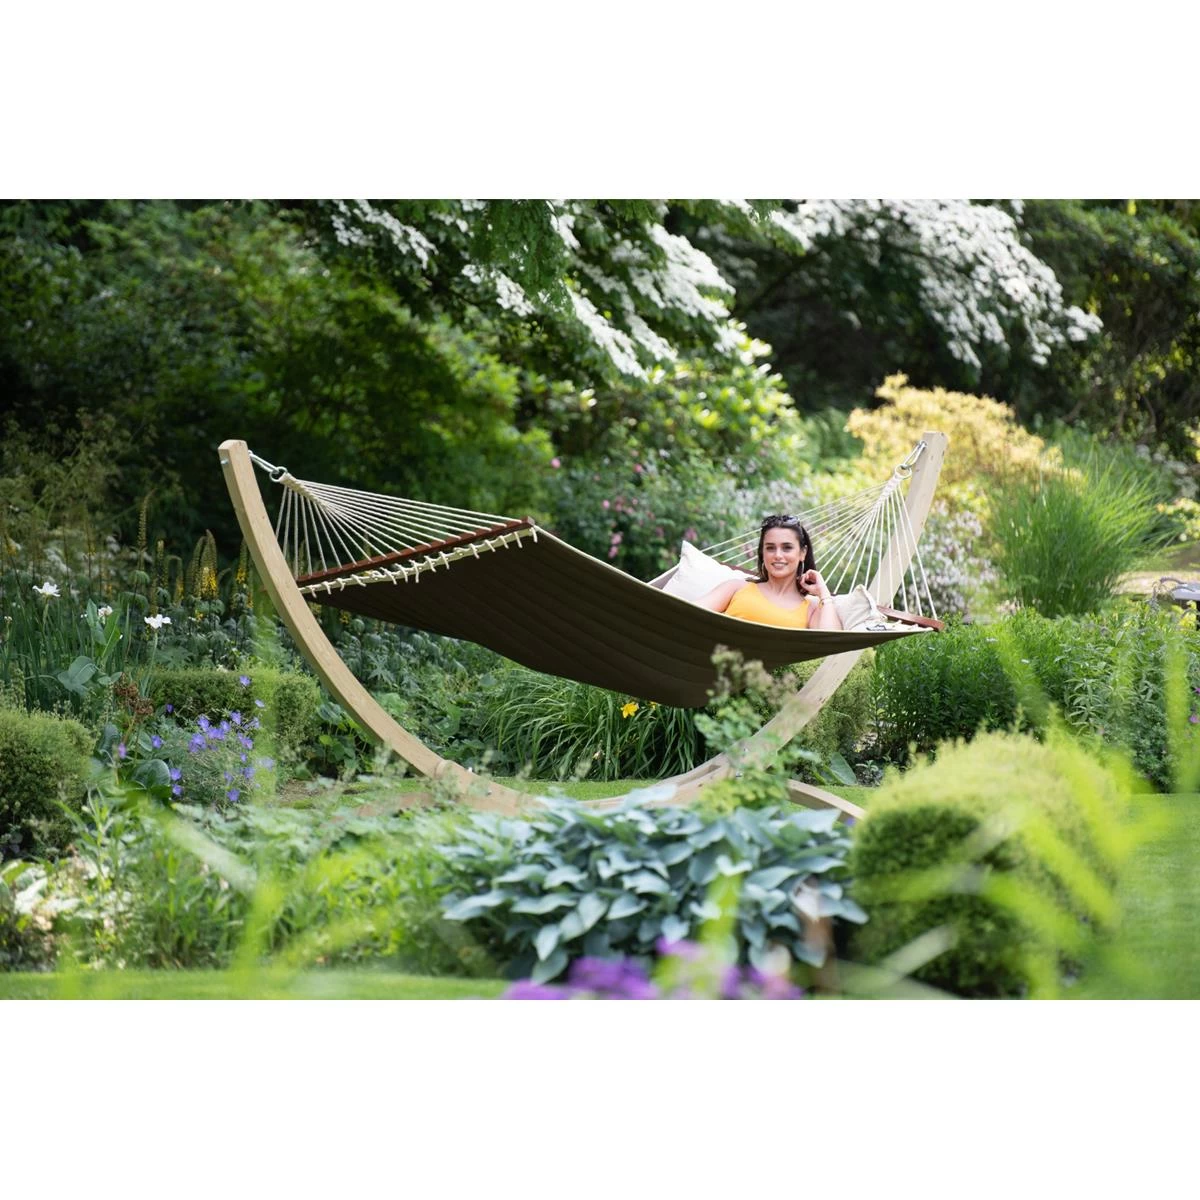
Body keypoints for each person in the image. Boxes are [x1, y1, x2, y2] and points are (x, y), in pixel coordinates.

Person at [695, 515, 843, 631]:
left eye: (787, 548)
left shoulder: (811, 608)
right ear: (762, 552)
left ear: (802, 553)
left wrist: (824, 593)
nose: (778, 555)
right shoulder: (735, 588)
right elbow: (689, 614)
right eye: (770, 548)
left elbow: (832, 645)